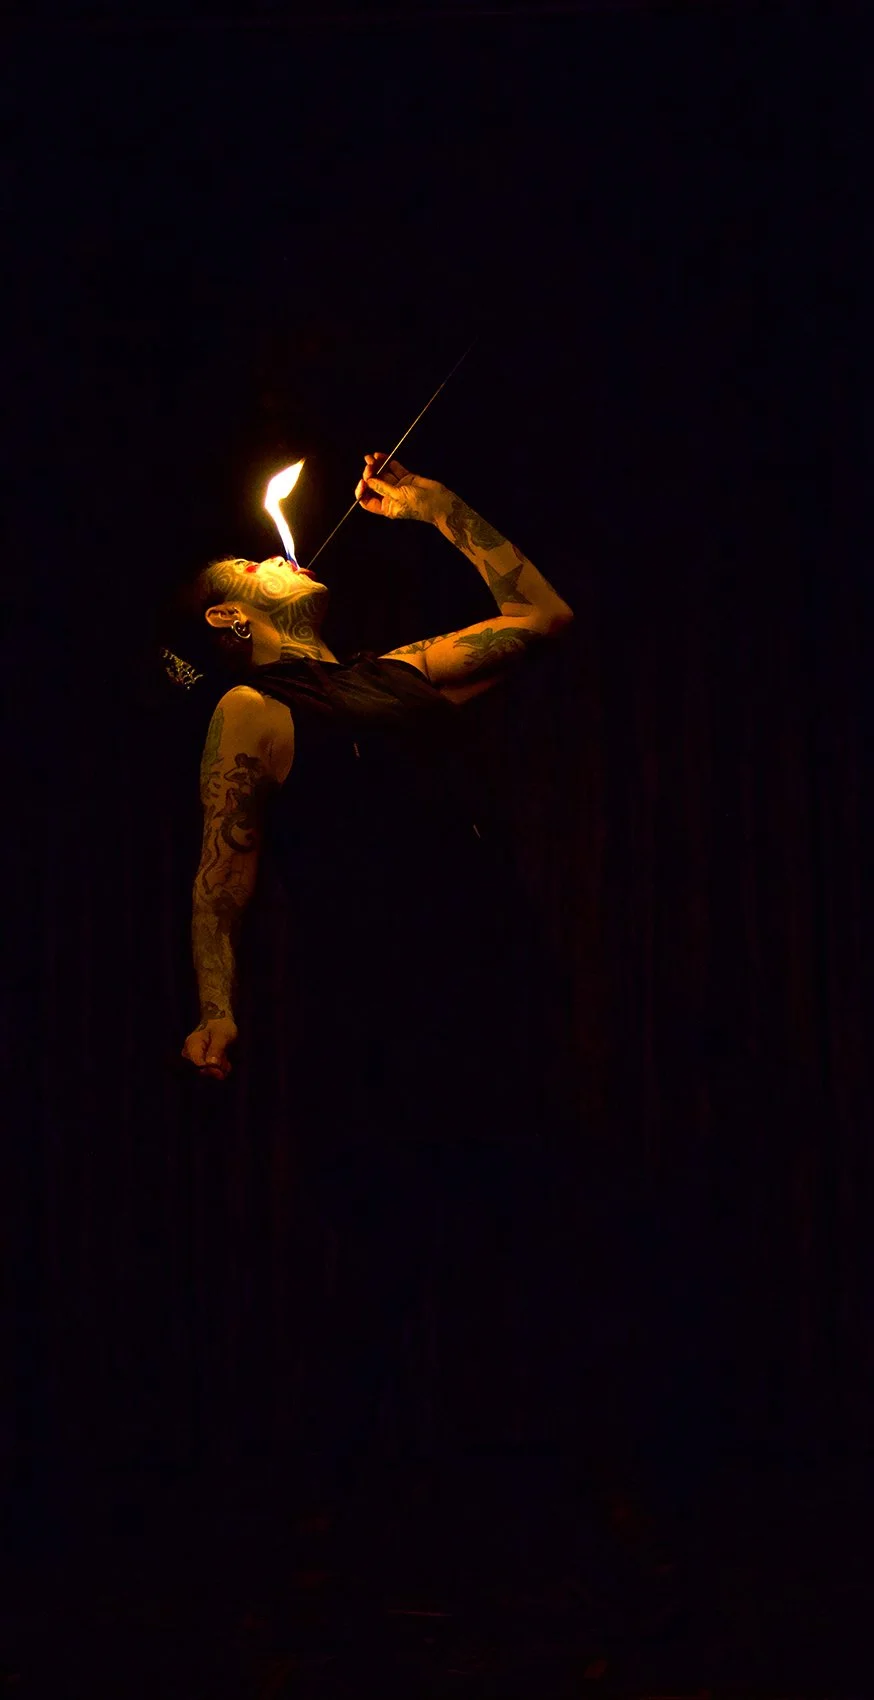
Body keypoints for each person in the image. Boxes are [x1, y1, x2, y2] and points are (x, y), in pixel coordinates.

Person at [176, 453, 578, 1565]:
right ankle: (335, 1515)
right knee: (384, 1254)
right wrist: (215, 1006)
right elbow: (220, 879)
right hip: (379, 1016)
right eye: (251, 559)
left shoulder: (401, 674)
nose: (274, 551)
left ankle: (517, 1506)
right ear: (228, 615)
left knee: (515, 1233)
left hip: (490, 987)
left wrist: (437, 506)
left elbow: (542, 617)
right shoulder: (252, 707)